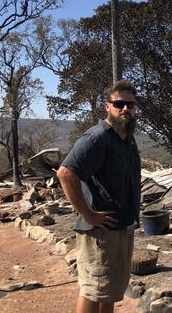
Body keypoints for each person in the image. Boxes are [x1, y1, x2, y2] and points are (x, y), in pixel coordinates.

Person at [57, 80, 141, 313]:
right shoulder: (97, 138)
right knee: (93, 290)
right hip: (100, 232)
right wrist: (88, 214)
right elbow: (66, 173)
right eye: (119, 103)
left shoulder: (126, 138)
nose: (126, 109)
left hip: (121, 226)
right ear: (107, 106)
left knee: (110, 289)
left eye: (130, 105)